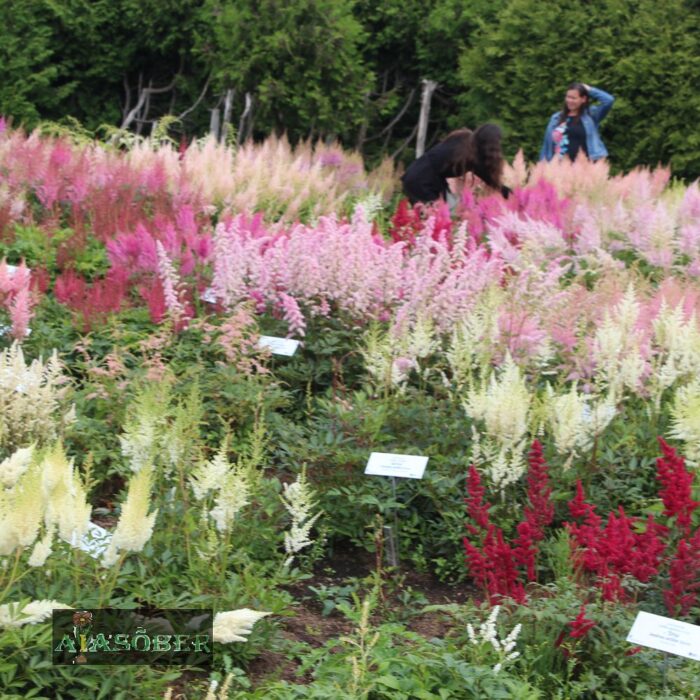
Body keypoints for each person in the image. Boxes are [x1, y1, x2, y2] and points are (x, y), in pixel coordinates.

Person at [401, 124, 511, 206]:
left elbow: (490, 180)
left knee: (441, 218)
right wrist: (511, 194)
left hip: (419, 176)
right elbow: (489, 178)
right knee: (436, 220)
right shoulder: (467, 153)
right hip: (420, 181)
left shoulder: (466, 144)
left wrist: (513, 195)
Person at [539, 83, 614, 162]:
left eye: (573, 98)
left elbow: (609, 100)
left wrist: (590, 90)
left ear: (583, 99)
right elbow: (547, 145)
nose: (569, 100)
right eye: (568, 97)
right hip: (560, 168)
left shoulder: (591, 115)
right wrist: (542, 166)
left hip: (586, 166)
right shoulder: (556, 118)